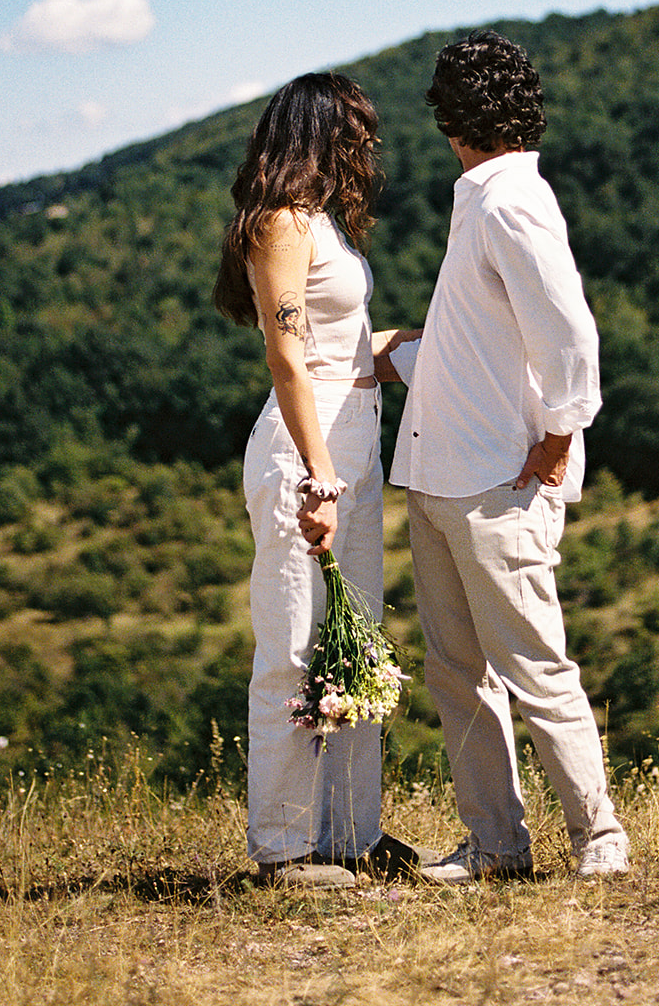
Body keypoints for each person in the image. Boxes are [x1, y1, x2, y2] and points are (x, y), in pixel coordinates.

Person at [388, 30, 630, 882]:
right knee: (458, 675)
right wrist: (395, 355)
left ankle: (598, 839)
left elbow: (569, 331)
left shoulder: (509, 201)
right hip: (439, 469)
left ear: (452, 122)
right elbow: (482, 349)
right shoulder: (482, 199)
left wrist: (561, 433)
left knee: (532, 666)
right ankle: (496, 845)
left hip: (497, 476)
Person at [214, 71, 418, 888]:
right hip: (309, 450)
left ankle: (350, 835)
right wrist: (321, 479)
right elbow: (287, 354)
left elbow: (346, 347)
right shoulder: (279, 225)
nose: (366, 145)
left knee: (353, 647)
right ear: (320, 130)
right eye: (355, 129)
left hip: (351, 438)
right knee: (295, 651)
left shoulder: (323, 223)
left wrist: (440, 346)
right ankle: (285, 848)